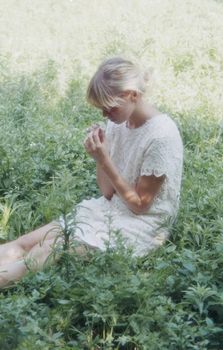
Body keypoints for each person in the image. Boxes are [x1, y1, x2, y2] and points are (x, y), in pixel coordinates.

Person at [0, 56, 184, 289]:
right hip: (110, 209)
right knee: (25, 242)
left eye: (110, 108)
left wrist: (105, 160)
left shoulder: (162, 136)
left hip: (141, 225)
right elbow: (107, 193)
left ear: (132, 95)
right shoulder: (118, 123)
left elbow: (140, 206)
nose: (105, 116)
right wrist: (100, 157)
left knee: (51, 247)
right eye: (101, 109)